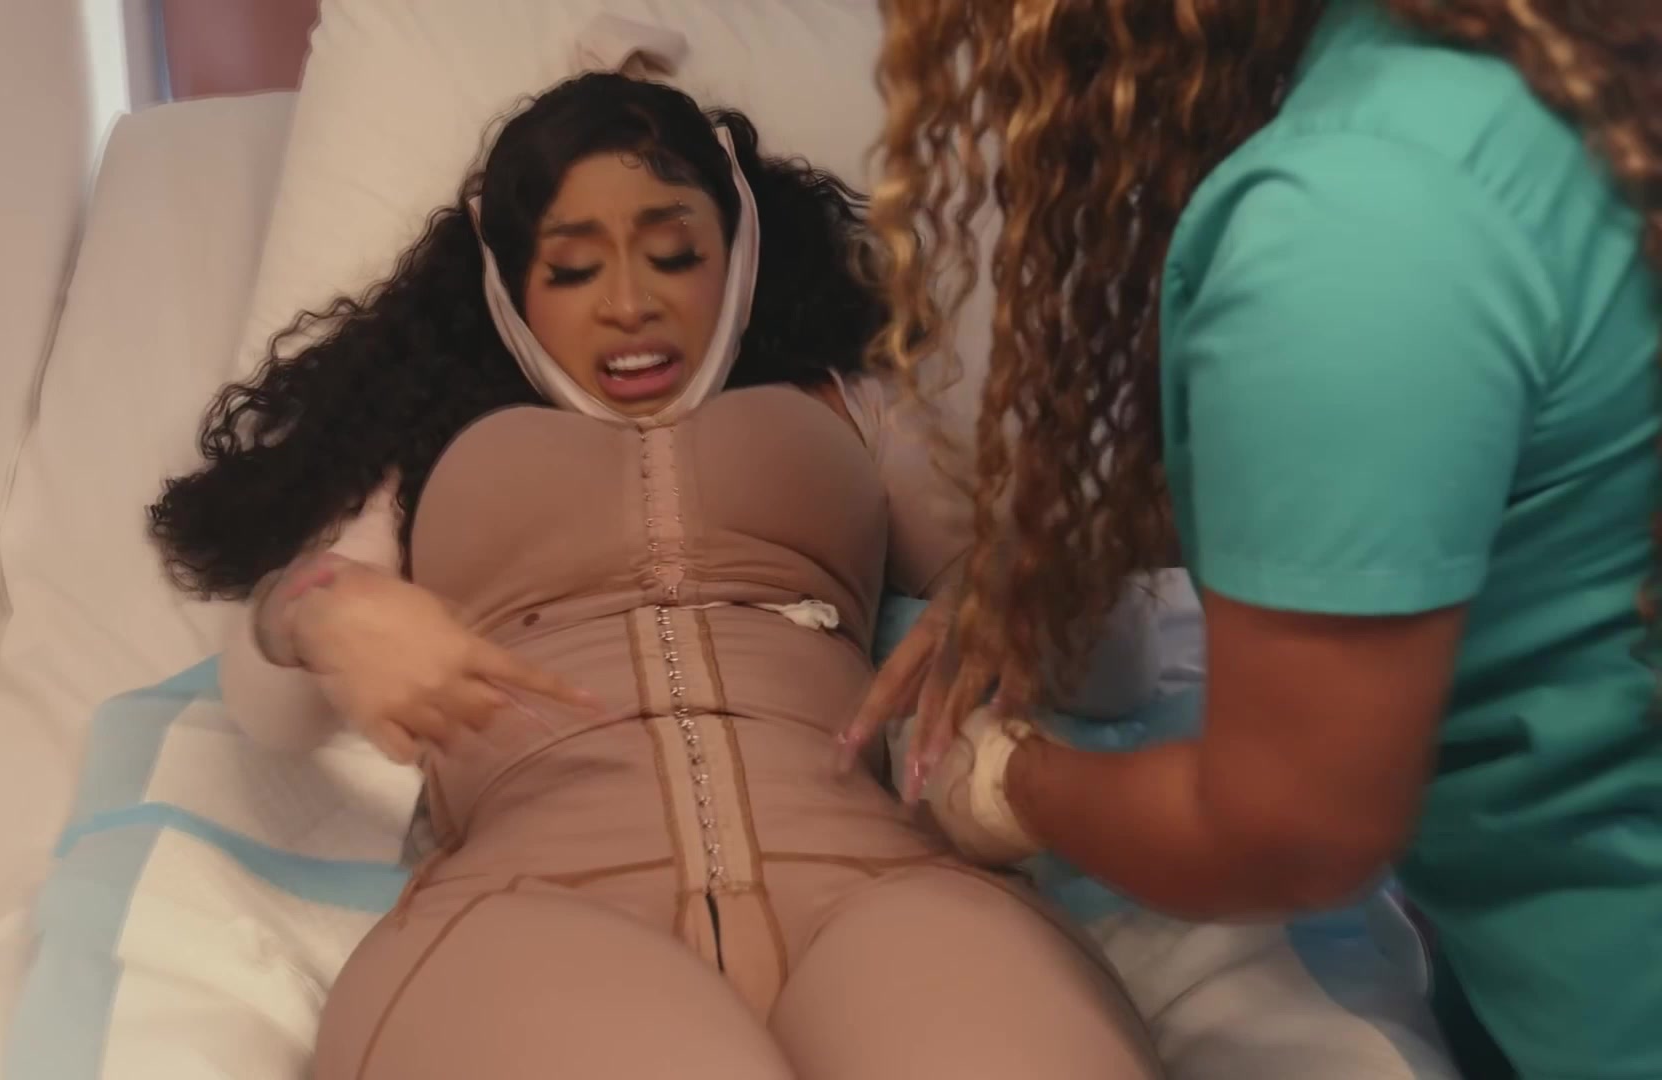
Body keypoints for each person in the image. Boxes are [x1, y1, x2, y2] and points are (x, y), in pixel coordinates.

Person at [148, 72, 1164, 1080]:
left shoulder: (855, 410)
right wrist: (321, 615)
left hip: (887, 889)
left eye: (676, 255)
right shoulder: (431, 454)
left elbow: (1120, 673)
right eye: (573, 271)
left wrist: (1026, 587)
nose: (630, 305)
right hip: (527, 916)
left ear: (740, 253)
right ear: (509, 288)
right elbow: (270, 707)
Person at [854, 1, 1662, 1078]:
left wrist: (1007, 784)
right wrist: (1047, 553)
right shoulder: (1524, 91)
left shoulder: (1353, 212)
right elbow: (1424, 488)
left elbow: (1289, 834)